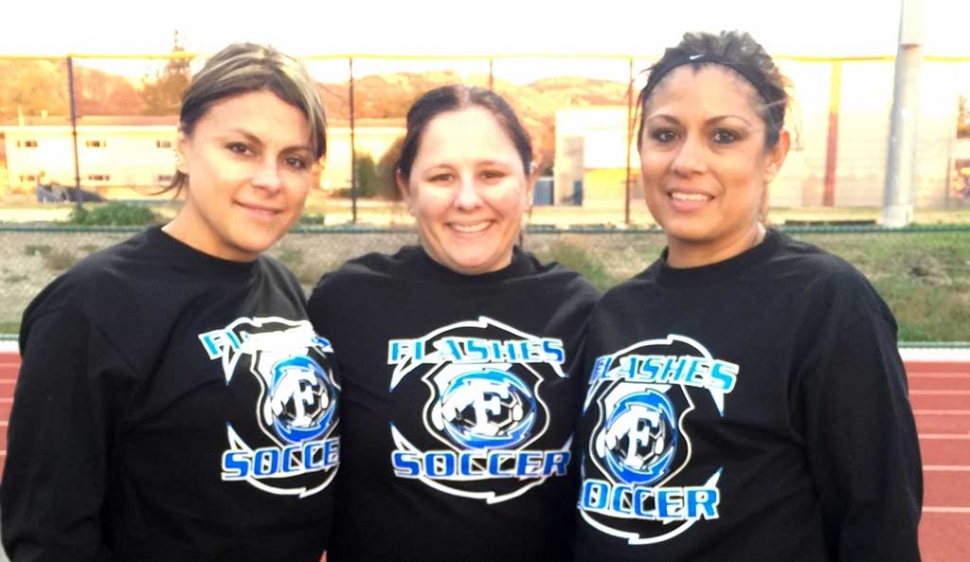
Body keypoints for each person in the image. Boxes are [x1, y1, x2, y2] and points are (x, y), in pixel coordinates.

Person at [574, 31, 922, 561]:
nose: (687, 161)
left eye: (724, 136)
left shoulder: (826, 303)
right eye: (665, 135)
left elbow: (877, 520)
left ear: (773, 154)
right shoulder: (615, 311)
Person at [1, 43, 340, 562]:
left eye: (294, 160)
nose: (270, 180)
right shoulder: (91, 306)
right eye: (241, 149)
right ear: (183, 146)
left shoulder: (282, 285)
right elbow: (46, 535)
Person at [307, 85, 601, 562]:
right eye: (442, 176)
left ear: (528, 183)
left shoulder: (580, 309)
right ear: (407, 189)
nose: (467, 199)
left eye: (491, 174)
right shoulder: (345, 302)